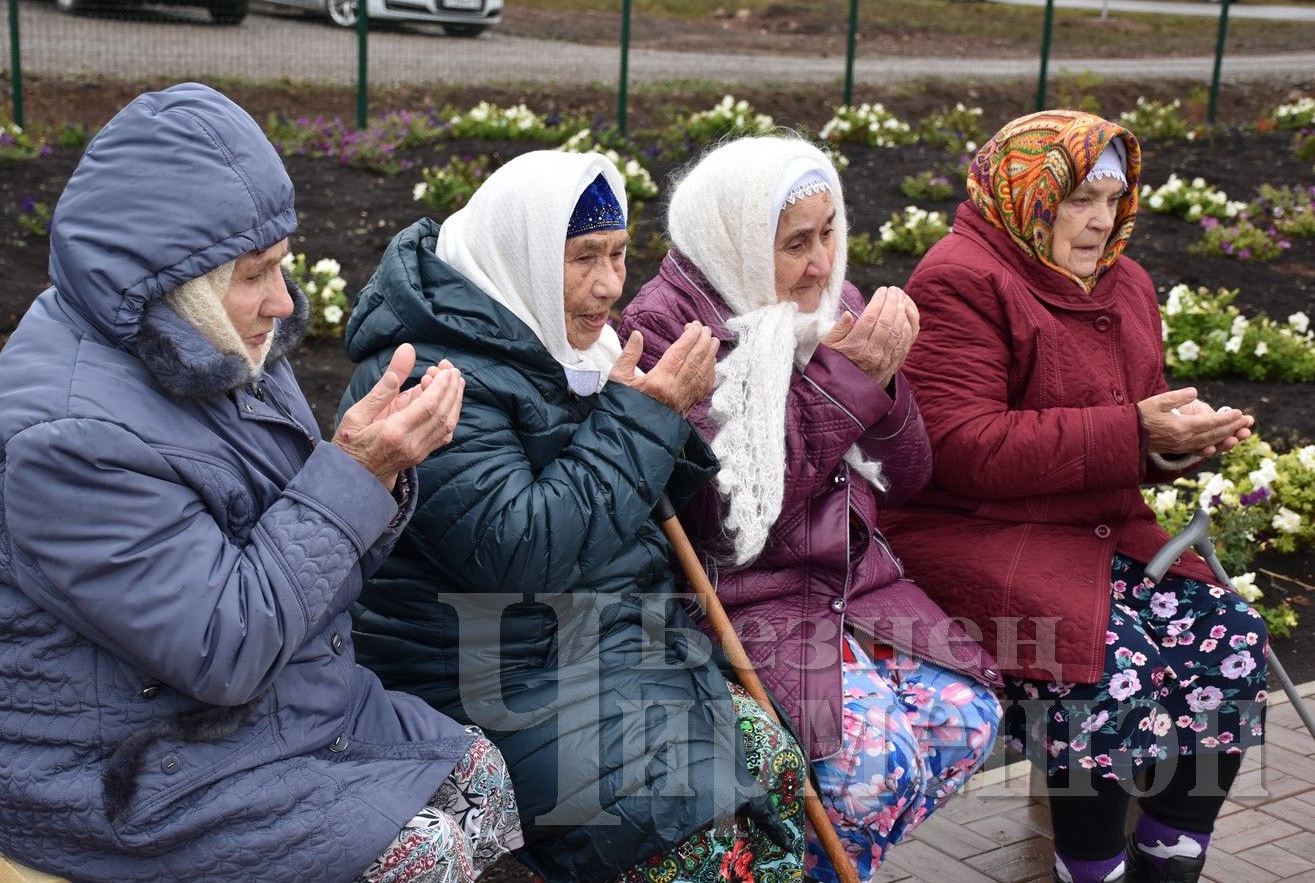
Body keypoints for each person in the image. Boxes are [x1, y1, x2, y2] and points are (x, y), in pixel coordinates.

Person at [0, 83, 523, 882]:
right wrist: (356, 470)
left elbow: (301, 571)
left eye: (282, 265)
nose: (283, 301)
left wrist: (372, 474)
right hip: (121, 770)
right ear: (171, 274)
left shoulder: (207, 344)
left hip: (249, 711)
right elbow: (222, 648)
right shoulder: (65, 437)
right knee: (422, 854)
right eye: (255, 274)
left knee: (483, 782)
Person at [340, 150, 808, 882]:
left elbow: (668, 527)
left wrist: (660, 428)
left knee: (771, 758)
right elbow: (521, 553)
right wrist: (644, 418)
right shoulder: (432, 376)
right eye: (583, 257)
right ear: (521, 254)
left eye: (619, 255)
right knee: (696, 838)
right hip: (483, 674)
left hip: (601, 653)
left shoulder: (567, 348)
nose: (607, 285)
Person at [878, 109, 1267, 883]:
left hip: (1095, 532)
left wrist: (1172, 444)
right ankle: (1090, 868)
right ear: (1027, 194)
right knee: (1103, 671)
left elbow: (1136, 426)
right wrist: (1130, 432)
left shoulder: (1126, 284)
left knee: (1232, 641)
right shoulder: (959, 276)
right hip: (978, 536)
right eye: (1076, 199)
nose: (1097, 222)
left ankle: (1166, 857)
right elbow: (959, 448)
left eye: (1111, 200)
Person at [618, 135, 1003, 883]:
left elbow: (906, 476)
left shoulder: (835, 308)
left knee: (964, 719)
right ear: (733, 239)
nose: (824, 263)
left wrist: (884, 390)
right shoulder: (670, 332)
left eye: (829, 232)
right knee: (868, 772)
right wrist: (848, 384)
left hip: (853, 585)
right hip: (740, 601)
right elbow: (725, 525)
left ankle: (813, 865)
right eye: (797, 243)